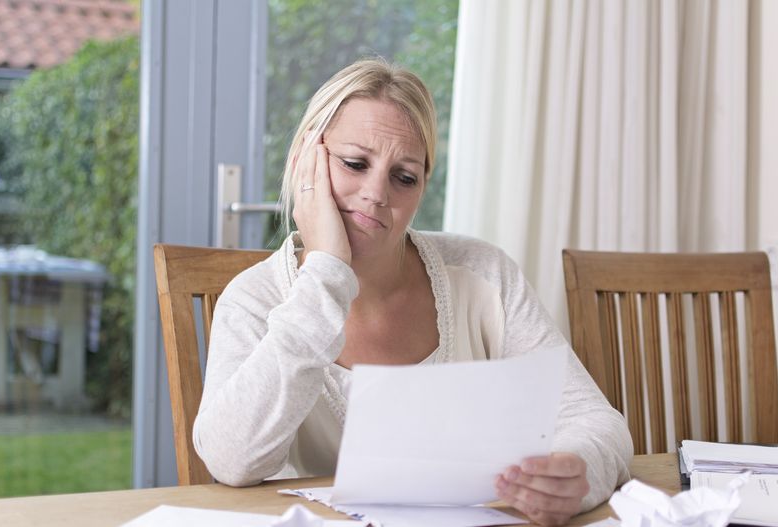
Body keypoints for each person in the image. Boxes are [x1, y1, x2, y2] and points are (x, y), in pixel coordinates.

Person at [194, 58, 632, 526]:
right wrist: (326, 273)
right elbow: (231, 460)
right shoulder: (253, 300)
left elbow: (594, 420)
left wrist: (576, 471)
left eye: (404, 177)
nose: (376, 194)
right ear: (306, 161)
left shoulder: (483, 274)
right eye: (355, 164)